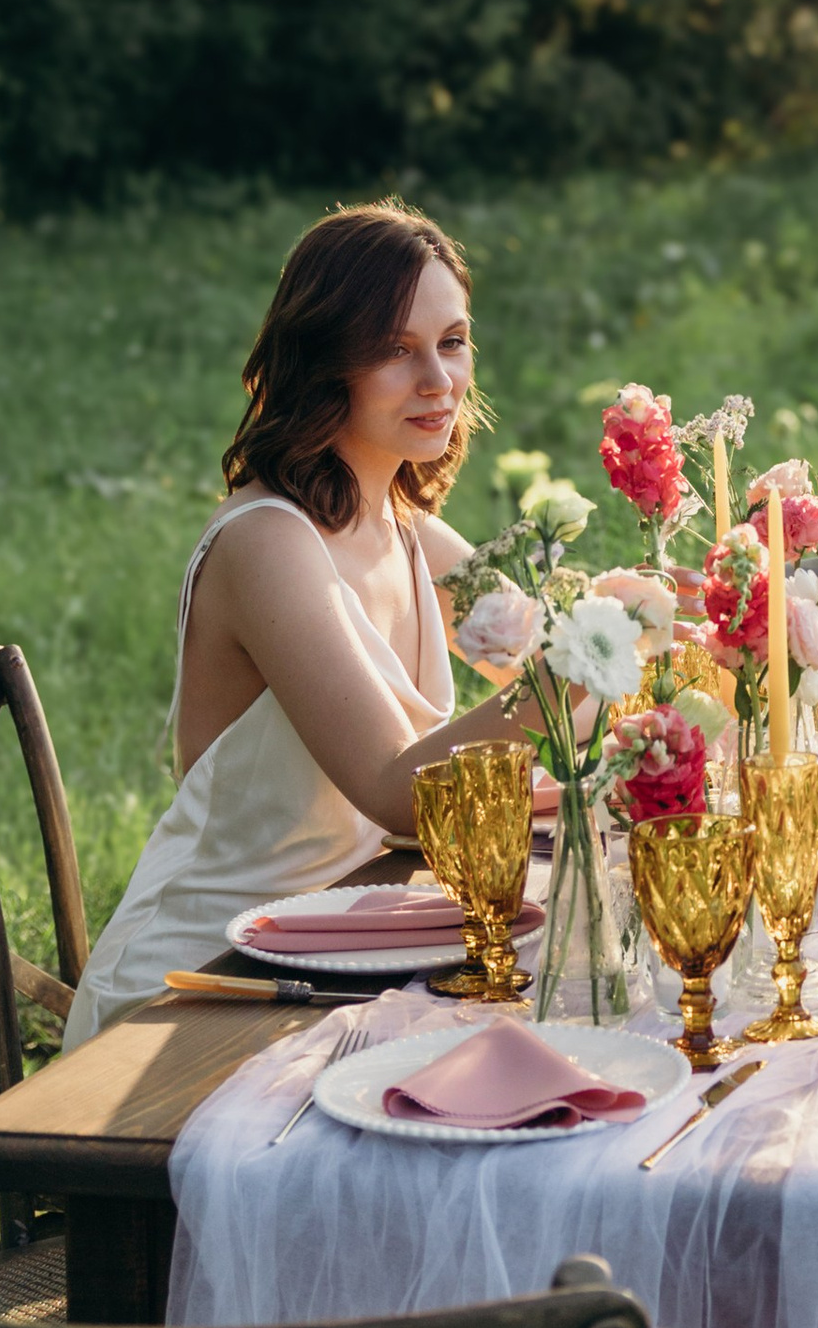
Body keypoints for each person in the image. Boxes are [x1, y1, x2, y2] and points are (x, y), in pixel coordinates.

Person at [64, 200, 531, 1043]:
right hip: (196, 989)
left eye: (453, 341)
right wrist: (576, 673)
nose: (439, 380)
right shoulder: (267, 544)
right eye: (395, 350)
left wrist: (667, 625)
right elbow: (399, 792)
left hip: (340, 953)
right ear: (324, 363)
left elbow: (546, 649)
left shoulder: (409, 530)